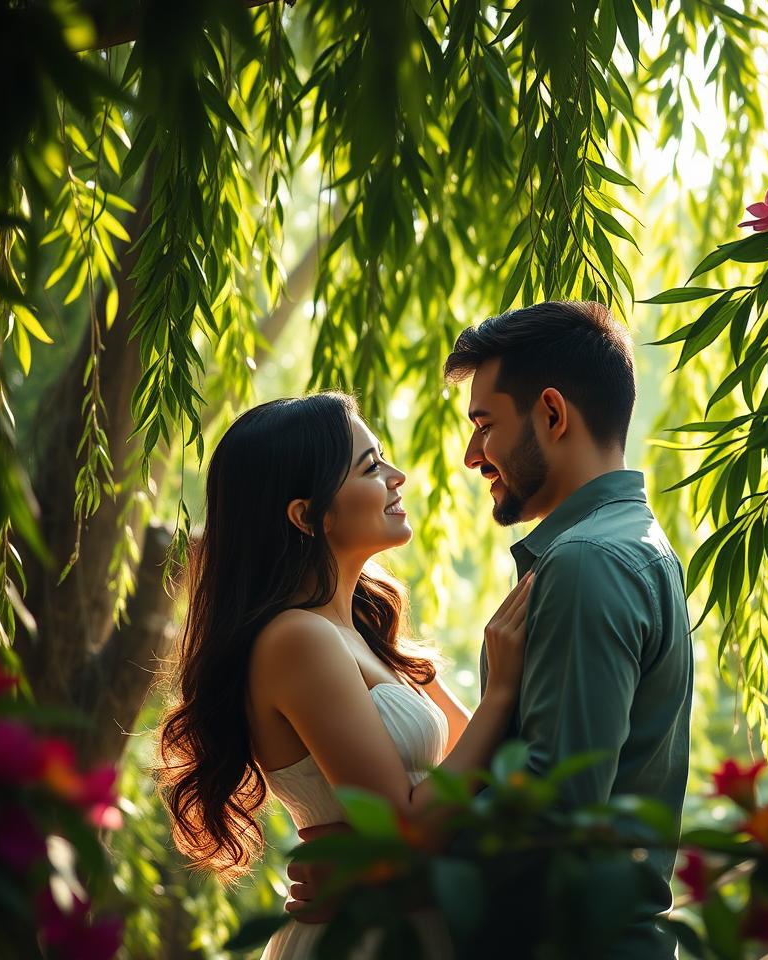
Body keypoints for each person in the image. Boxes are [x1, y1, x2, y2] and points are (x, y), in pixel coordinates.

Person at [156, 393, 532, 959]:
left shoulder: (366, 632)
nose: (397, 476)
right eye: (370, 467)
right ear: (307, 515)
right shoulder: (297, 639)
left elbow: (469, 767)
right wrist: (501, 691)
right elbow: (404, 827)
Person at [443, 300, 694, 958]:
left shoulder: (587, 562)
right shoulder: (635, 545)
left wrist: (379, 872)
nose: (473, 455)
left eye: (484, 424)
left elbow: (552, 828)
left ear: (552, 414)